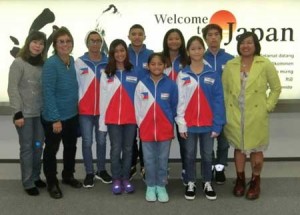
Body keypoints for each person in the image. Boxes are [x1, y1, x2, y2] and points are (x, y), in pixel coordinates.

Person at [222, 31, 281, 200]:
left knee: (256, 149)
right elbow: (225, 90)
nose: (245, 46)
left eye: (249, 42)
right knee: (239, 148)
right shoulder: (231, 64)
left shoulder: (265, 63)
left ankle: (255, 180)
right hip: (235, 114)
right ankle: (240, 179)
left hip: (256, 114)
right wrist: (227, 109)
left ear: (255, 45)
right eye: (242, 42)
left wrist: (267, 107)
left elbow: (276, 88)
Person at [176, 36, 226, 201]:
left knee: (207, 156)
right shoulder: (183, 74)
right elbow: (180, 102)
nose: (196, 51)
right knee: (189, 155)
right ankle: (191, 182)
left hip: (208, 125)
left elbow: (219, 101)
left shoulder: (212, 73)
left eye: (199, 48)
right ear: (188, 52)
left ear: (203, 50)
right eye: (193, 48)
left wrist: (218, 124)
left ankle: (207, 182)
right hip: (189, 125)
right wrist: (181, 124)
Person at [41, 27, 82, 199]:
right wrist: (55, 119)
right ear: (55, 45)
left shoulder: (72, 61)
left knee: (71, 147)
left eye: (68, 41)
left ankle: (67, 175)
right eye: (61, 42)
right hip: (54, 117)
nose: (65, 44)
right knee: (51, 150)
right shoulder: (51, 64)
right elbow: (48, 93)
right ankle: (52, 182)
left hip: (72, 115)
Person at [7, 30, 47, 196]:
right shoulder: (18, 63)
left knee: (38, 147)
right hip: (24, 116)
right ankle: (28, 181)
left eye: (41, 43)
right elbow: (13, 88)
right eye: (35, 42)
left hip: (40, 115)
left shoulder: (44, 64)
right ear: (28, 42)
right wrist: (17, 113)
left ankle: (36, 176)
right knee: (27, 148)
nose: (38, 46)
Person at [134, 53, 178, 203]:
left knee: (162, 159)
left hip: (165, 130)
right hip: (146, 130)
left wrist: (169, 122)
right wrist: (142, 124)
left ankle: (161, 185)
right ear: (148, 66)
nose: (157, 66)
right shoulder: (141, 84)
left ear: (165, 65)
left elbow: (174, 106)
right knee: (149, 159)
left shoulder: (171, 84)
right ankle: (151, 185)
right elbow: (138, 107)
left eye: (160, 64)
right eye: (153, 64)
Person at [99, 39, 138, 195]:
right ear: (112, 54)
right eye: (116, 51)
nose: (120, 54)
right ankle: (116, 178)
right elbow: (103, 98)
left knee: (128, 150)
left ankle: (125, 178)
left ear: (126, 53)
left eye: (122, 50)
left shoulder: (134, 71)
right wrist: (102, 123)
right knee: (116, 149)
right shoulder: (106, 73)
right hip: (113, 119)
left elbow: (141, 96)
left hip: (131, 119)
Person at [75, 30, 112, 188]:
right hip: (85, 111)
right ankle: (89, 172)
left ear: (101, 43)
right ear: (87, 43)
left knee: (102, 141)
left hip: (103, 110)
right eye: (92, 40)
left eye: (98, 40)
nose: (95, 43)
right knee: (87, 142)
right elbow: (75, 86)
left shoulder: (109, 62)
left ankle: (101, 170)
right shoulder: (79, 62)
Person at [202, 24, 234, 184]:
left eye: (216, 34)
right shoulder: (199, 59)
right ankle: (211, 165)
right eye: (210, 35)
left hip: (225, 108)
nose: (213, 37)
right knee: (207, 142)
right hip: (205, 108)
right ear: (205, 39)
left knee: (223, 141)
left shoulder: (231, 59)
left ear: (221, 37)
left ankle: (220, 167)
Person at [162, 28, 189, 184]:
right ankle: (163, 169)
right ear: (166, 41)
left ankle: (186, 169)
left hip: (182, 108)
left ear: (181, 41)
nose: (174, 41)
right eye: (170, 38)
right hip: (163, 107)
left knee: (184, 140)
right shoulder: (160, 59)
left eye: (177, 38)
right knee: (164, 140)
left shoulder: (187, 60)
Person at [127, 24, 153, 180]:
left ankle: (144, 164)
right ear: (128, 36)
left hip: (146, 102)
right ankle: (131, 163)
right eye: (133, 34)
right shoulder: (123, 53)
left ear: (145, 36)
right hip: (128, 102)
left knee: (145, 136)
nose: (137, 36)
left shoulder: (151, 54)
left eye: (140, 34)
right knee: (130, 137)